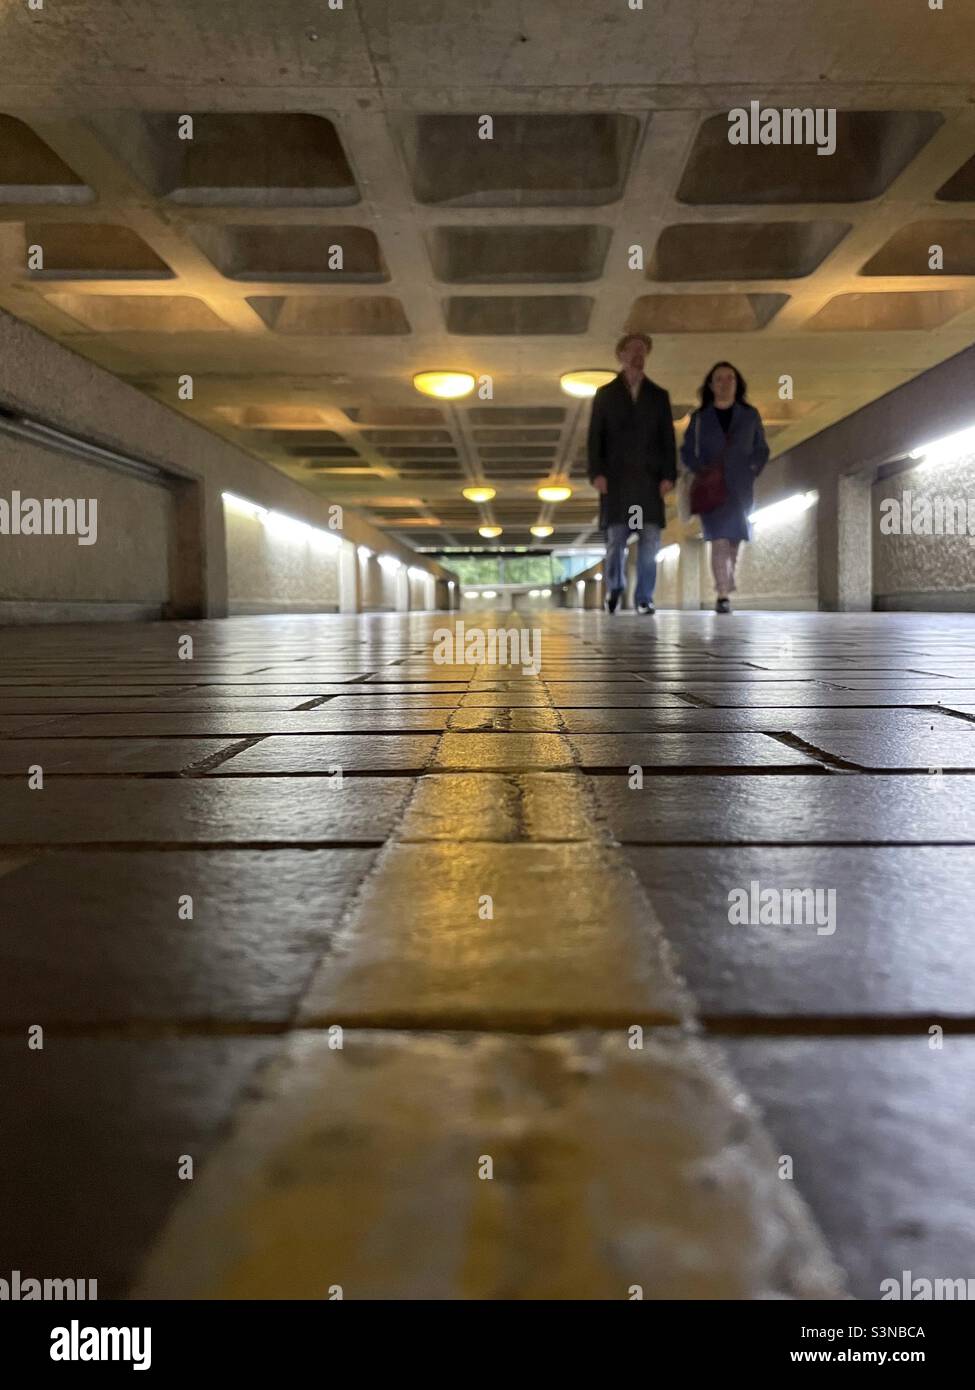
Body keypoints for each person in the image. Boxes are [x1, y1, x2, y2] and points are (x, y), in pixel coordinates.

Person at [587, 333, 677, 615]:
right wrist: (596, 473)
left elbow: (667, 439)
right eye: (632, 349)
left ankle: (644, 597)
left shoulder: (658, 396)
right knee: (616, 540)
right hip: (617, 483)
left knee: (650, 539)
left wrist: (669, 475)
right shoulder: (605, 395)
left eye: (643, 350)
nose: (638, 354)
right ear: (621, 355)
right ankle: (615, 587)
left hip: (648, 484)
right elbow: (594, 438)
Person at [680, 361, 769, 613]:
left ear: (737, 382)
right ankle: (722, 594)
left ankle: (726, 584)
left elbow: (761, 448)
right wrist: (700, 470)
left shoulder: (750, 415)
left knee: (733, 541)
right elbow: (687, 450)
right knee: (718, 539)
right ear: (710, 384)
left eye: (730, 378)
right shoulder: (699, 418)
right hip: (711, 486)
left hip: (740, 487)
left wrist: (753, 468)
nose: (725, 383)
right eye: (719, 378)